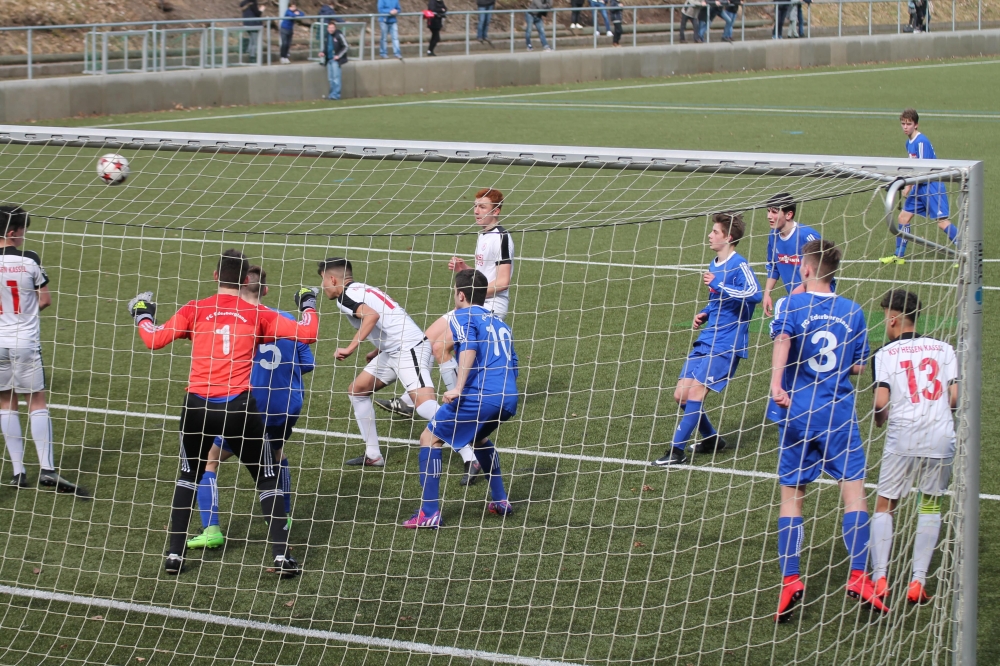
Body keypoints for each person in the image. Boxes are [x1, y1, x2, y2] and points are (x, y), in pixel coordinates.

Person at [127, 249, 318, 577]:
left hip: (196, 407)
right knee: (267, 477)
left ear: (216, 276)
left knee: (188, 475)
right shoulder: (257, 314)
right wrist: (308, 304)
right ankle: (281, 556)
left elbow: (153, 340)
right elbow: (309, 334)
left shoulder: (194, 309)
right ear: (245, 279)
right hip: (238, 408)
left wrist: (142, 314)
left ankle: (174, 555)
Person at [769, 239, 888, 623]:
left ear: (805, 269)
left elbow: (783, 339)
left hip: (797, 413)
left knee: (792, 498)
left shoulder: (791, 304)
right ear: (834, 272)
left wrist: (777, 385)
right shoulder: (853, 311)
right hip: (837, 415)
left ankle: (791, 580)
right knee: (854, 495)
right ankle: (859, 576)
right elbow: (858, 366)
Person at [376, 188, 514, 487]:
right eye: (475, 206)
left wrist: (472, 289)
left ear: (496, 210)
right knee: (431, 344)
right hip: (474, 300)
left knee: (431, 344)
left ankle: (424, 400)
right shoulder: (483, 235)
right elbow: (484, 274)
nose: (476, 211)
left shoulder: (501, 237)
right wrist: (467, 271)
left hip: (488, 306)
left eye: (483, 207)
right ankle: (420, 398)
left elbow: (503, 282)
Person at [186, 266, 315, 551]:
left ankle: (211, 529)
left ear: (237, 289)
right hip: (286, 406)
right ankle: (284, 517)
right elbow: (308, 363)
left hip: (247, 408)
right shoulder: (286, 319)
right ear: (265, 290)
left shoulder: (235, 321)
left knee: (209, 458)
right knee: (276, 455)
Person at [404, 269, 518, 528]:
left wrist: (458, 387)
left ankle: (429, 513)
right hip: (508, 397)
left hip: (482, 395)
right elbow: (513, 362)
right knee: (478, 438)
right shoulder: (500, 323)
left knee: (429, 438)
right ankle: (500, 500)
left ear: (461, 295)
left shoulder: (461, 315)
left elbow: (468, 346)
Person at [869, 289, 957, 605]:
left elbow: (881, 402)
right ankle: (917, 581)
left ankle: (880, 578)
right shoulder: (944, 348)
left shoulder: (884, 353)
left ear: (893, 318)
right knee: (930, 504)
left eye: (885, 317)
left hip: (904, 435)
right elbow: (954, 397)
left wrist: (880, 419)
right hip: (941, 434)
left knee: (885, 504)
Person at [653, 213, 761, 467]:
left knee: (695, 393)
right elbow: (717, 300)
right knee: (681, 395)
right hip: (709, 337)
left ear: (728, 237)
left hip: (728, 342)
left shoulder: (739, 264)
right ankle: (711, 439)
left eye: (715, 232)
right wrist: (705, 312)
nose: (710, 235)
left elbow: (754, 293)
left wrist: (719, 284)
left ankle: (677, 452)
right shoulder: (714, 264)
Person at [0, 205, 88, 498]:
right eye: (23, 230)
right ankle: (47, 469)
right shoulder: (29, 259)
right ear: (13, 232)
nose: (24, 235)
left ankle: (18, 472)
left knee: (6, 402)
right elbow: (45, 299)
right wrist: (24, 314)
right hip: (25, 340)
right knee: (36, 400)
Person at [319, 258, 438, 467]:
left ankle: (472, 449)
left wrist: (349, 348)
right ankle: (373, 455)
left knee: (425, 406)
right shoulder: (363, 289)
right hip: (396, 349)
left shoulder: (345, 297)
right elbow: (389, 318)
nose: (323, 286)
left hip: (408, 349)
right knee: (357, 391)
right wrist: (378, 349)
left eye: (323, 280)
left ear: (332, 279)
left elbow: (371, 316)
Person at [880, 109, 959, 266]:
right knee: (903, 218)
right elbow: (913, 168)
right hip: (919, 186)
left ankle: (965, 252)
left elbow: (923, 168)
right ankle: (899, 256)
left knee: (942, 222)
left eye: (909, 124)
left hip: (932, 186)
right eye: (903, 124)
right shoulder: (908, 143)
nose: (905, 127)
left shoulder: (921, 142)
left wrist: (908, 185)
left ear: (916, 125)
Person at [761, 192, 826, 318]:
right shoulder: (773, 236)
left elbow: (822, 272)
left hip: (818, 300)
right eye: (768, 211)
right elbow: (773, 267)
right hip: (796, 300)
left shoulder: (807, 236)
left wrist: (795, 295)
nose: (769, 216)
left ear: (789, 214)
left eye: (774, 212)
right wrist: (767, 293)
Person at [319, 20, 349, 100]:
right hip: (329, 59)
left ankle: (336, 95)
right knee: (330, 79)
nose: (331, 29)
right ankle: (332, 95)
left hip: (335, 60)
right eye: (329, 28)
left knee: (336, 78)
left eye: (332, 28)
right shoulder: (327, 35)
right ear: (327, 28)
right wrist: (323, 53)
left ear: (335, 28)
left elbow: (346, 46)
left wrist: (338, 56)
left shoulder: (339, 35)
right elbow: (326, 47)